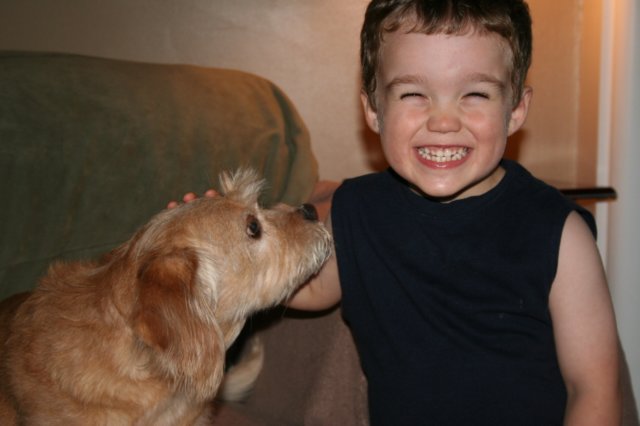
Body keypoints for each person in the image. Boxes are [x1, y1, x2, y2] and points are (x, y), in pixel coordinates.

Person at [173, 1, 622, 424]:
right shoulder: (356, 211)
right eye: (413, 94)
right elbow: (300, 281)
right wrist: (214, 250)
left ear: (516, 109)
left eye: (475, 94)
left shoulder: (559, 233)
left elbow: (594, 389)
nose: (443, 121)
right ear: (373, 109)